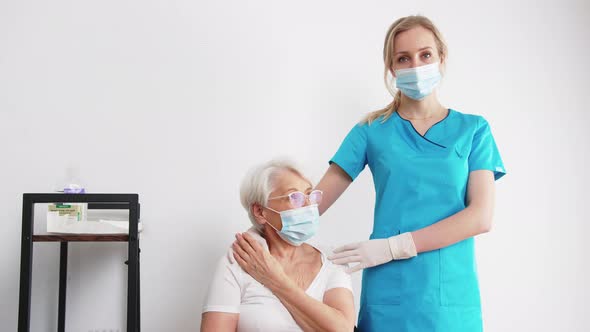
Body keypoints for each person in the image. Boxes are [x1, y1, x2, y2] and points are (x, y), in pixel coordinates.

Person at [312, 15, 506, 331]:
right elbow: (312, 205)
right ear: (392, 68)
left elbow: (480, 217)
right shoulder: (371, 130)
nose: (415, 66)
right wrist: (269, 216)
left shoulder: (473, 130)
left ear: (442, 58)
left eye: (425, 54)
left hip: (451, 298)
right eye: (404, 58)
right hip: (390, 293)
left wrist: (392, 247)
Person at [201, 159, 356, 332]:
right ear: (260, 212)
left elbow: (343, 329)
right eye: (295, 197)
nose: (309, 206)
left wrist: (275, 279)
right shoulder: (238, 260)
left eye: (310, 195)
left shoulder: (333, 260)